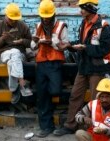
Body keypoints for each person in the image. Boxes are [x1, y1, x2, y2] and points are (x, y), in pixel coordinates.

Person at [53, 0, 110, 136]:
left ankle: (96, 129)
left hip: (97, 69)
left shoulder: (104, 26)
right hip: (84, 67)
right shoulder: (84, 23)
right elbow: (81, 43)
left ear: (90, 9)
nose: (80, 11)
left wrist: (86, 48)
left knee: (96, 100)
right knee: (75, 96)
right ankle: (70, 125)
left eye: (82, 8)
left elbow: (105, 49)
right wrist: (68, 45)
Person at [31, 0, 69, 138]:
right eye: (43, 16)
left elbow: (64, 44)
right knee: (42, 96)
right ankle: (46, 127)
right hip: (41, 63)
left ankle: (56, 119)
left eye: (48, 16)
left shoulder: (61, 26)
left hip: (55, 63)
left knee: (54, 90)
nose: (46, 19)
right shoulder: (38, 26)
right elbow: (32, 46)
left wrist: (52, 42)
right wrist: (35, 42)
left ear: (53, 14)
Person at [0, 3, 33, 104]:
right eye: (11, 19)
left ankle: (13, 90)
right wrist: (2, 38)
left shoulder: (22, 26)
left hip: (20, 55)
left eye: (15, 19)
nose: (13, 21)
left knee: (13, 58)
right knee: (13, 53)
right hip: (4, 53)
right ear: (6, 16)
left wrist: (22, 41)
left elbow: (30, 43)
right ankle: (22, 82)